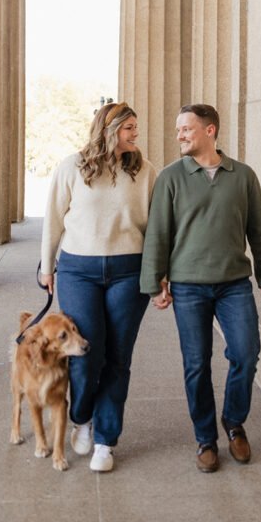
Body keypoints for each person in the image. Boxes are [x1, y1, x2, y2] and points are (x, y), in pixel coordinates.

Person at [140, 104, 261, 473]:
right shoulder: (171, 177)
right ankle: (206, 438)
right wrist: (155, 283)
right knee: (197, 364)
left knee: (246, 354)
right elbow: (157, 234)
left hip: (234, 284)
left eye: (187, 129)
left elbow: (260, 232)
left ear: (210, 131)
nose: (180, 135)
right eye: (178, 130)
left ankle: (233, 423)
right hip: (188, 287)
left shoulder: (243, 176)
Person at [40, 102, 156, 473]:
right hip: (78, 271)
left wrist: (159, 274)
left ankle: (106, 441)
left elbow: (156, 227)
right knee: (87, 355)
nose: (135, 134)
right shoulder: (71, 167)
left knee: (118, 358)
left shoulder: (145, 171)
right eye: (129, 128)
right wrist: (47, 265)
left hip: (129, 271)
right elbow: (54, 220)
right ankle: (83, 419)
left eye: (136, 128)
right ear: (109, 130)